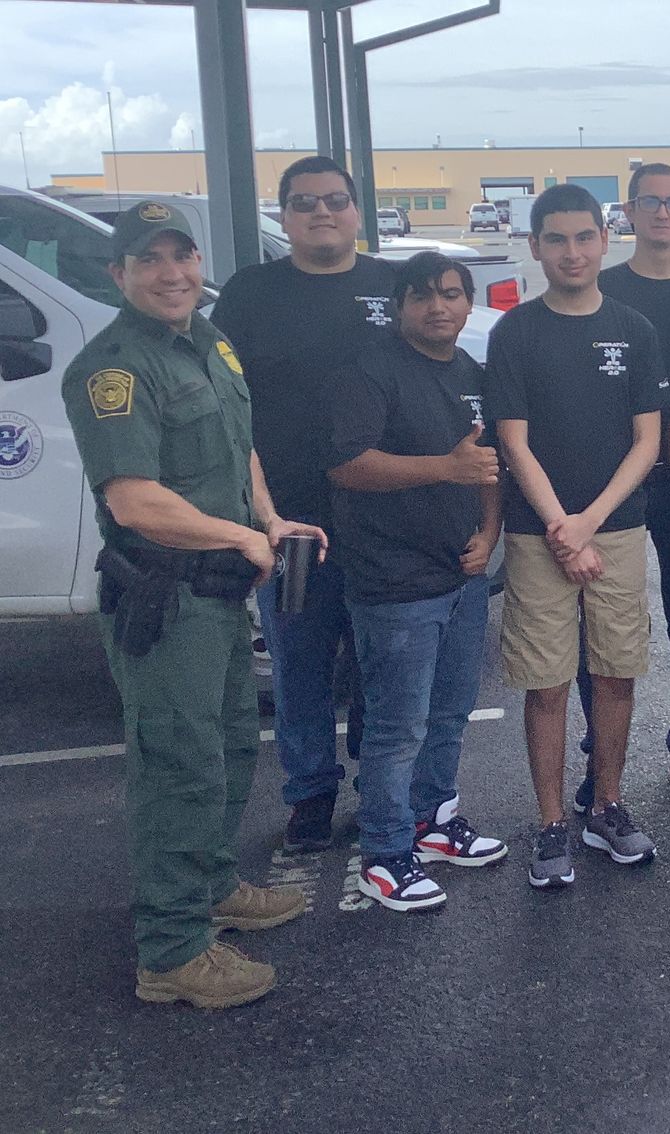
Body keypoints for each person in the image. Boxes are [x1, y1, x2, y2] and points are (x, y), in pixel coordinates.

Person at [64, 202, 315, 1008]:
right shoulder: (115, 367)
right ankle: (171, 951)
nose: (173, 274)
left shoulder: (206, 341)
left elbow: (238, 447)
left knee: (230, 747)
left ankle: (211, 886)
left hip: (216, 595)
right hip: (165, 598)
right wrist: (239, 540)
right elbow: (134, 499)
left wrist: (267, 519)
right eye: (151, 261)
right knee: (177, 766)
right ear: (119, 274)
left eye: (183, 256)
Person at [488, 184, 665, 889]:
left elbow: (647, 441)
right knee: (548, 684)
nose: (571, 251)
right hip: (539, 537)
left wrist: (589, 522)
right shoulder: (517, 332)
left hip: (616, 531)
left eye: (583, 237)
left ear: (604, 239)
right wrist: (564, 528)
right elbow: (513, 444)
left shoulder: (635, 328)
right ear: (535, 247)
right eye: (556, 239)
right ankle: (553, 821)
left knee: (616, 671)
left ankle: (608, 804)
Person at [211, 155, 389, 854]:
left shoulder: (390, 286)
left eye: (335, 200)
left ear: (356, 211)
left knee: (381, 663)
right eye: (305, 201)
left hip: (381, 524)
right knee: (300, 664)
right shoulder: (252, 294)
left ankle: (382, 785)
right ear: (283, 215)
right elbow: (226, 404)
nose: (322, 212)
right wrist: (254, 510)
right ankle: (311, 793)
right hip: (291, 524)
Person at [327, 252, 509, 913]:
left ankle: (432, 823)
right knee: (397, 727)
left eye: (454, 294)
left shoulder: (469, 372)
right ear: (401, 305)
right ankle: (383, 852)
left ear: (468, 303)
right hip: (393, 579)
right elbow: (348, 466)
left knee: (449, 715)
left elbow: (488, 466)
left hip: (461, 575)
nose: (441, 306)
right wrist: (443, 468)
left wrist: (488, 536)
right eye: (425, 296)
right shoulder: (370, 370)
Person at [571, 162, 670, 810]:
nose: (663, 212)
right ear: (628, 214)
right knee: (603, 630)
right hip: (613, 487)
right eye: (650, 202)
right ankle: (597, 762)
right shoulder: (603, 289)